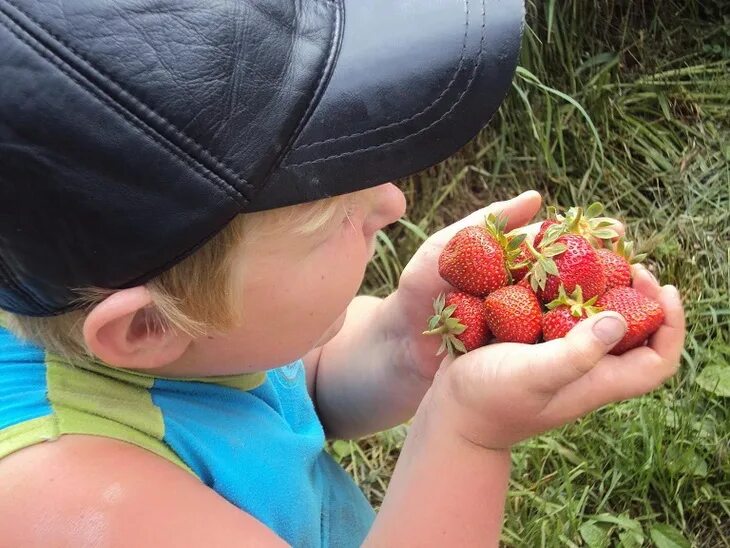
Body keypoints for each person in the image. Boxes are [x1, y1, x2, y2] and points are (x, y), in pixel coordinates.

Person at [0, 1, 685, 545]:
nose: (393, 203)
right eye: (336, 213)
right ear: (147, 325)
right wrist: (470, 433)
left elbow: (311, 382)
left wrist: (403, 339)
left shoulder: (198, 327)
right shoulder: (78, 509)